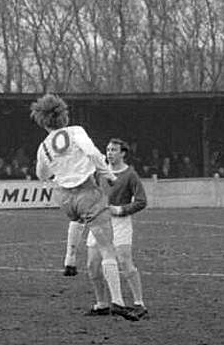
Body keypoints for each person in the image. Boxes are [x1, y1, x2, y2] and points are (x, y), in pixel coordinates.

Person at [30, 93, 139, 321]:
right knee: (107, 248)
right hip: (87, 193)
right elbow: (92, 153)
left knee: (78, 221)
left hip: (65, 199)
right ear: (63, 115)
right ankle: (117, 301)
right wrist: (108, 174)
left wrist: (59, 171)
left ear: (42, 121)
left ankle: (71, 259)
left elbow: (42, 174)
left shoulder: (43, 147)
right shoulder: (76, 131)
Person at [85, 138, 149, 319]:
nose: (110, 153)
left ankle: (139, 303)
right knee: (93, 265)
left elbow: (141, 201)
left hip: (120, 223)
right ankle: (102, 304)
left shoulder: (130, 175)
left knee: (124, 261)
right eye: (108, 149)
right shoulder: (99, 173)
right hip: (99, 221)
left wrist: (120, 209)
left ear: (123, 153)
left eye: (114, 150)